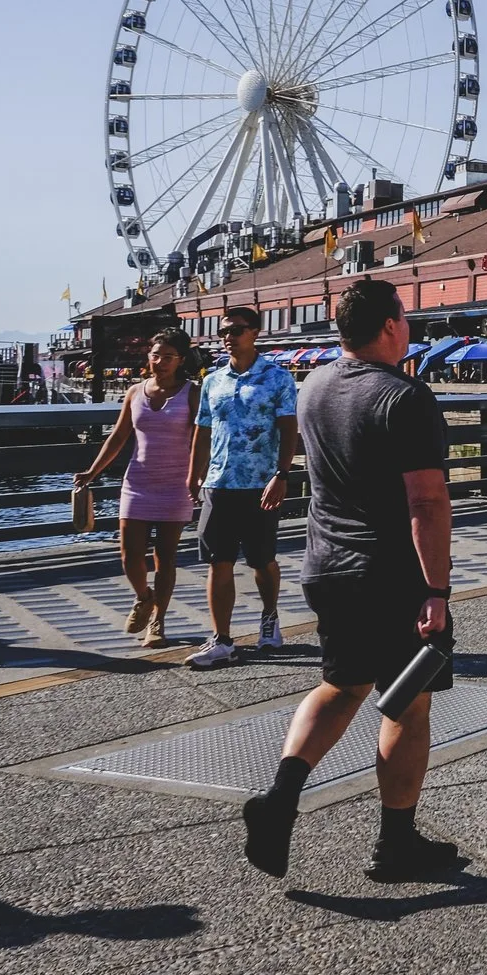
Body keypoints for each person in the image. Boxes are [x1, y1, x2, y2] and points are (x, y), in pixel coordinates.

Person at [241, 279, 457, 883]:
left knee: (340, 685)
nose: (408, 327)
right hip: (391, 576)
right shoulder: (405, 397)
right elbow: (427, 503)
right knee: (407, 706)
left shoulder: (313, 387)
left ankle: (281, 800)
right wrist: (435, 592)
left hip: (326, 566)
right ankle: (396, 844)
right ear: (389, 326)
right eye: (405, 318)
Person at [185, 306, 300, 669]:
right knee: (217, 561)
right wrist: (194, 473)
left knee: (261, 561)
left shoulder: (277, 379)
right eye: (223, 331)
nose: (228, 337)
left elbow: (288, 430)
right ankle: (221, 639)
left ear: (255, 333)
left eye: (235, 330)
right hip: (219, 483)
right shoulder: (212, 381)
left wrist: (281, 475)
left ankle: (269, 617)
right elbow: (203, 430)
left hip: (260, 483)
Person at [73, 327, 200, 647]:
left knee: (165, 558)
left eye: (168, 357)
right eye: (156, 355)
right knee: (129, 555)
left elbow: (202, 438)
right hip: (137, 483)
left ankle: (157, 622)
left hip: (176, 485)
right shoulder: (134, 392)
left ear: (180, 360)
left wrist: (198, 476)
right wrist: (92, 472)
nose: (160, 362)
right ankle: (144, 597)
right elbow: (118, 437)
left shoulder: (192, 393)